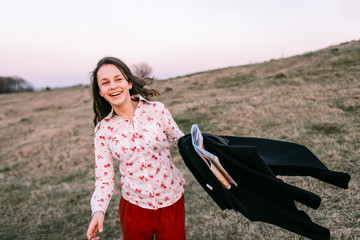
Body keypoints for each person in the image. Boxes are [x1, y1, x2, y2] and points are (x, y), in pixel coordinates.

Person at [86, 57, 186, 240]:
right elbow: (104, 178)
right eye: (105, 83)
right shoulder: (102, 131)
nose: (113, 86)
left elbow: (181, 141)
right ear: (101, 92)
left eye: (118, 79)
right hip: (134, 209)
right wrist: (98, 211)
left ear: (129, 82)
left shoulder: (158, 110)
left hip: (171, 201)